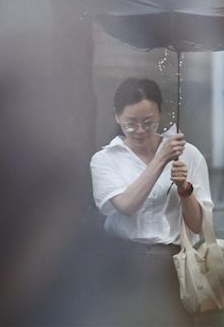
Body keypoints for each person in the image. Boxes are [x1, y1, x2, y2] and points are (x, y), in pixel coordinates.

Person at [90, 78, 213, 326]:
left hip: (171, 263)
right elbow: (126, 206)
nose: (139, 130)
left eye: (148, 122)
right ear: (117, 117)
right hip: (121, 259)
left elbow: (198, 226)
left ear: (160, 114)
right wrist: (161, 160)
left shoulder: (188, 154)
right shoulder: (104, 159)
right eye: (130, 124)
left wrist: (184, 188)